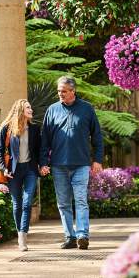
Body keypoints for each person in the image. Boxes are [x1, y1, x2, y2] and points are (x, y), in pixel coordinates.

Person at [40, 76, 103, 250]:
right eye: (59, 91)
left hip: (81, 164)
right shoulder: (52, 110)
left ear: (73, 91)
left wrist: (97, 159)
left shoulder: (87, 109)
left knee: (81, 200)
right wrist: (43, 162)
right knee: (63, 203)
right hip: (58, 165)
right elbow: (44, 139)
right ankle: (70, 237)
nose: (61, 94)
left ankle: (82, 235)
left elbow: (97, 136)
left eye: (64, 91)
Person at [0, 99, 40, 251]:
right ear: (21, 110)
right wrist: (4, 169)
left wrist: (43, 165)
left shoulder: (34, 129)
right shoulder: (7, 128)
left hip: (30, 169)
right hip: (13, 171)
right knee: (17, 204)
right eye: (28, 107)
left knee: (27, 202)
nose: (31, 110)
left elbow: (39, 150)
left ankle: (23, 236)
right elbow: (0, 151)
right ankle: (19, 233)